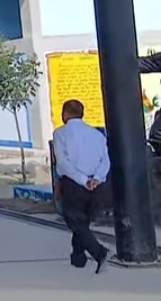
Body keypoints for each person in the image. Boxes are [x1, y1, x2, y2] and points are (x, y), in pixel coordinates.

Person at [53, 99, 109, 272]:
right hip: (96, 185)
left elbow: (63, 164)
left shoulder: (60, 134)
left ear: (65, 114)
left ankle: (99, 252)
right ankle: (78, 257)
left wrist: (83, 180)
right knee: (83, 222)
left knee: (75, 221)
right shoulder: (97, 135)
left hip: (74, 183)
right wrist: (97, 178)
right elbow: (105, 161)